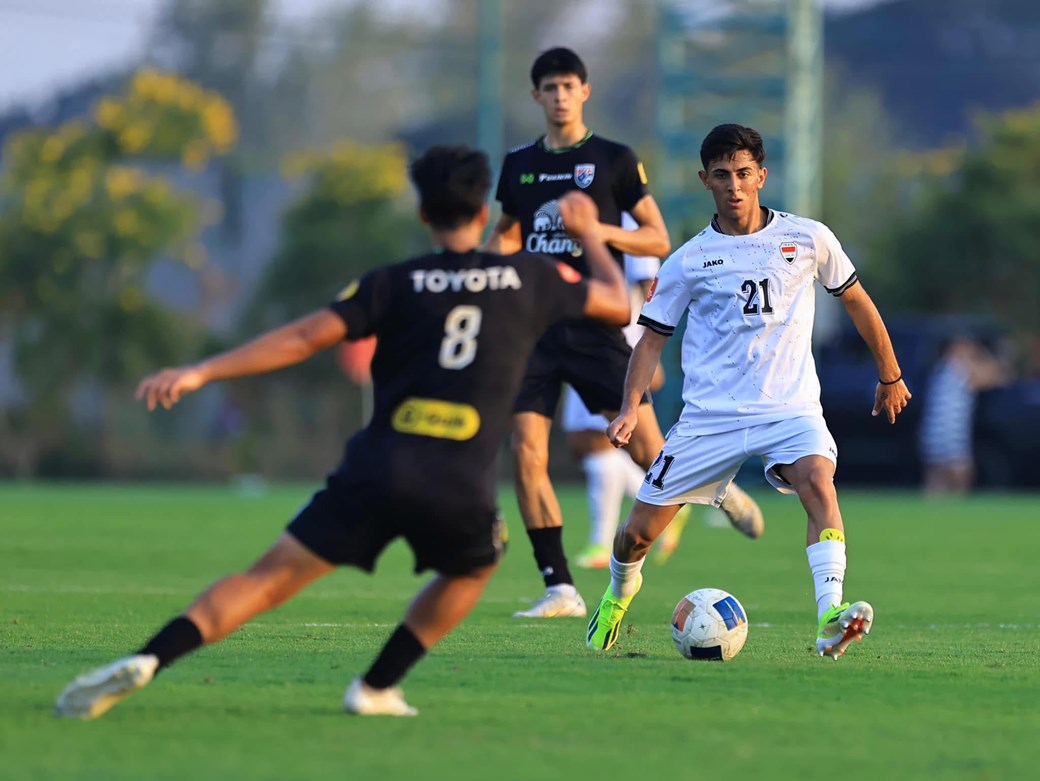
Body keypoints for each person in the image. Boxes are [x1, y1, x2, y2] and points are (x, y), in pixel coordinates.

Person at [53, 145, 632, 721]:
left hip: (375, 468)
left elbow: (304, 338)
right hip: (456, 481)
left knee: (264, 580)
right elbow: (615, 305)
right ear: (484, 212)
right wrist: (588, 235)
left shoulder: (391, 283)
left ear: (424, 214)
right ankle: (378, 685)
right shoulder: (528, 277)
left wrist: (201, 370)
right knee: (475, 565)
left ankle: (151, 660)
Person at [585, 123, 913, 660]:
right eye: (722, 176)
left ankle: (831, 616)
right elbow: (650, 342)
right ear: (705, 180)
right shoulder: (689, 260)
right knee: (636, 536)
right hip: (709, 417)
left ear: (761, 175)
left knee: (819, 484)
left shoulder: (808, 238)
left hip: (789, 407)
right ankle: (619, 596)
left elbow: (857, 300)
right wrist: (628, 409)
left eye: (743, 174)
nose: (734, 186)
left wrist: (891, 374)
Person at [486, 48, 764, 619]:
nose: (560, 96)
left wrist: (597, 230)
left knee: (646, 450)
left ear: (584, 91)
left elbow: (657, 238)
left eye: (569, 85)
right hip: (533, 329)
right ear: (535, 96)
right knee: (526, 452)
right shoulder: (518, 165)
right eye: (549, 87)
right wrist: (484, 274)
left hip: (596, 324)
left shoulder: (613, 159)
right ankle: (559, 586)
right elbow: (507, 236)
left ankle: (712, 487)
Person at [563, 214, 688, 570]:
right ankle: (665, 502)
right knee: (585, 439)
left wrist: (653, 352)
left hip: (618, 344)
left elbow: (650, 281)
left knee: (606, 438)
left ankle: (602, 542)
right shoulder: (565, 206)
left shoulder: (626, 215)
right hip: (578, 337)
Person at [918, 335, 1009, 495]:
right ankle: (956, 504)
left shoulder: (942, 368)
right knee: (961, 470)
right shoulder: (958, 369)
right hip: (950, 428)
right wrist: (985, 355)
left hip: (935, 428)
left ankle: (933, 506)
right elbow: (995, 378)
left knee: (937, 472)